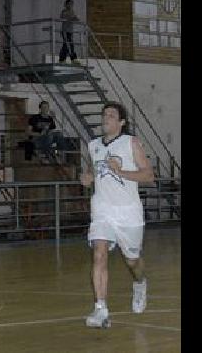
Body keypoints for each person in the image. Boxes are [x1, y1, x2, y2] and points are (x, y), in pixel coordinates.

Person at [79, 102, 154, 328]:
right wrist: (88, 178)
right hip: (102, 209)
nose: (106, 118)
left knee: (132, 261)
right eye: (104, 114)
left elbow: (149, 176)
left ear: (121, 122)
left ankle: (140, 283)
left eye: (111, 115)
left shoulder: (131, 143)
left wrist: (119, 171)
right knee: (99, 254)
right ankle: (100, 309)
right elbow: (93, 171)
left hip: (128, 212)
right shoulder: (93, 145)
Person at [59, 0, 79, 64]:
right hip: (65, 31)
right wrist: (72, 18)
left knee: (69, 44)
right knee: (67, 44)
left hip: (70, 31)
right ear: (66, 4)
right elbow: (64, 17)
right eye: (69, 4)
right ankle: (71, 59)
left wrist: (75, 18)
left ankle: (63, 59)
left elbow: (75, 18)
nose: (71, 5)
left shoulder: (72, 11)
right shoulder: (64, 11)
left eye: (72, 4)